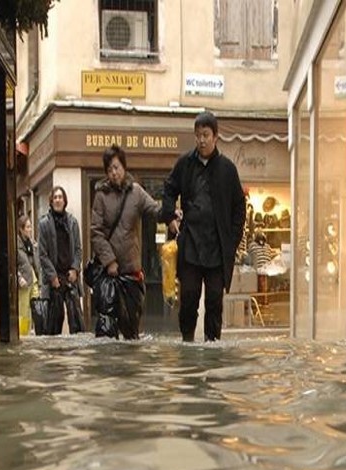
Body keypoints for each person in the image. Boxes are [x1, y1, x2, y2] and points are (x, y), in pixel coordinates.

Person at [159, 111, 246, 342]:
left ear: (216, 137)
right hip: (191, 244)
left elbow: (239, 208)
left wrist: (232, 242)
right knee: (188, 297)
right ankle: (187, 340)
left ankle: (212, 344)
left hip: (217, 247)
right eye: (198, 135)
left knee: (215, 300)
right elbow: (168, 189)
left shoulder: (227, 169)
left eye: (206, 135)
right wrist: (170, 217)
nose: (201, 140)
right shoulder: (185, 163)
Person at [89, 143, 160, 340]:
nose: (114, 173)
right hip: (109, 274)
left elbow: (154, 209)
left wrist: (171, 214)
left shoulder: (136, 192)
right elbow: (96, 232)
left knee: (131, 331)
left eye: (117, 167)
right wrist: (109, 261)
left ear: (124, 167)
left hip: (132, 272)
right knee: (107, 332)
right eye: (109, 169)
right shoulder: (101, 196)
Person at [37, 186, 84, 334]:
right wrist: (52, 277)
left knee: (77, 322)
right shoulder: (44, 223)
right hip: (54, 279)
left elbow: (78, 249)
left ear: (64, 201)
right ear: (51, 201)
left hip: (70, 276)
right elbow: (42, 254)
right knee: (53, 324)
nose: (58, 200)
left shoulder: (73, 222)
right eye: (55, 197)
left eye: (60, 197)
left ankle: (77, 354)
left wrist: (75, 269)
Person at [15, 214, 39, 336]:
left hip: (33, 279)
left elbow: (36, 263)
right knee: (23, 311)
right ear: (21, 229)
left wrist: (35, 249)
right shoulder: (16, 245)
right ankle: (23, 334)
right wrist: (19, 277)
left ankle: (35, 329)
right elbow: (13, 265)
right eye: (28, 227)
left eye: (30, 227)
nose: (30, 230)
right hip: (24, 280)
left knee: (36, 305)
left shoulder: (31, 244)